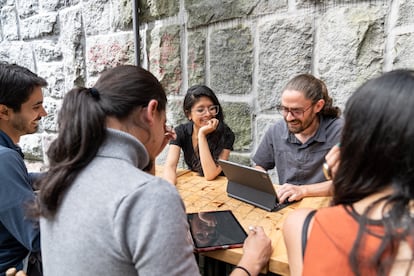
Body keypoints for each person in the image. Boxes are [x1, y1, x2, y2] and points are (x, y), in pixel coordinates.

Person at [35, 65, 271, 276]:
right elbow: (143, 198)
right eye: (163, 120)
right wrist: (250, 263)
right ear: (151, 111)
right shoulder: (151, 196)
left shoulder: (61, 176)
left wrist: (149, 155)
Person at [283, 69, 414, 276]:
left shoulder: (301, 225)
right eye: (284, 109)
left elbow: (342, 230)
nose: (289, 116)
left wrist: (344, 182)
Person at [252, 74, 343, 203]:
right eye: (284, 109)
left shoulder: (341, 132)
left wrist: (303, 191)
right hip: (286, 206)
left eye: (297, 111)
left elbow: (350, 182)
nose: (289, 117)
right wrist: (264, 186)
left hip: (324, 208)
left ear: (318, 106)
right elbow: (259, 166)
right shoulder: (276, 130)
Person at [0, 63, 47, 276]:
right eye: (36, 107)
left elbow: (18, 181)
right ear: (4, 111)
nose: (43, 113)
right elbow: (37, 237)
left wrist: (62, 177)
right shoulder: (4, 160)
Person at [163, 85, 235, 184]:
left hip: (217, 187)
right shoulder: (181, 132)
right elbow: (170, 167)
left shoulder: (226, 134)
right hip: (195, 184)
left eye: (212, 108)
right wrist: (169, 187)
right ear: (188, 114)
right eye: (200, 110)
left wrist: (202, 135)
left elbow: (210, 174)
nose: (208, 114)